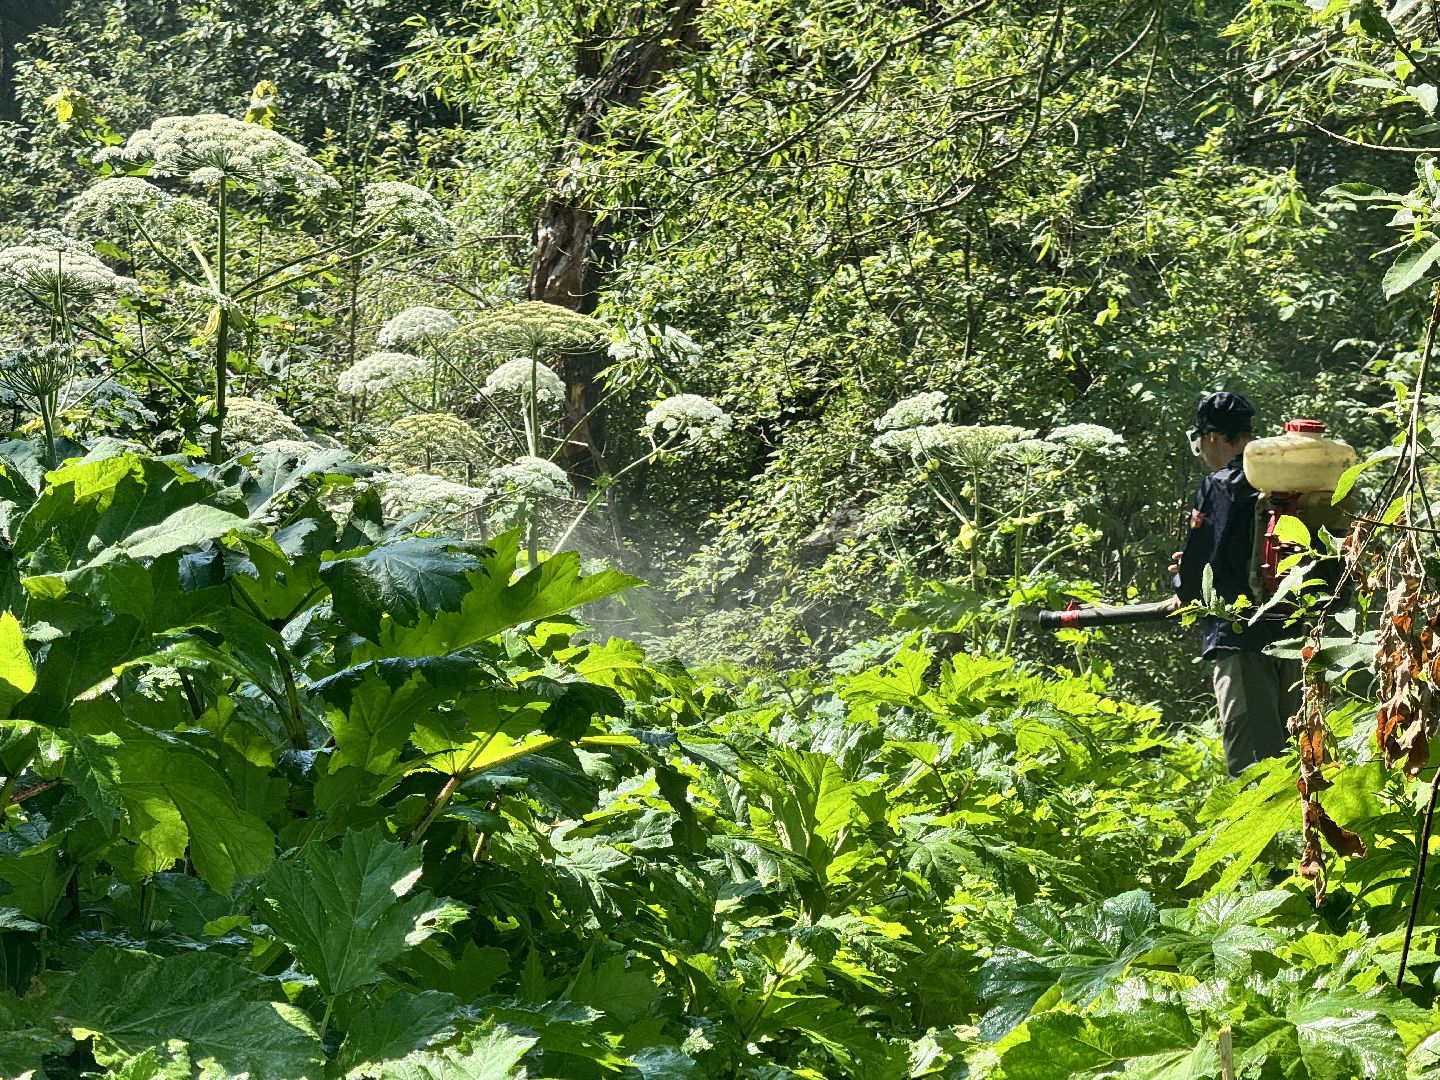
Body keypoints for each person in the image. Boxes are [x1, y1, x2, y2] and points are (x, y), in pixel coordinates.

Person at [1171, 391, 1301, 777]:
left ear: (1210, 437)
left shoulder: (1221, 484)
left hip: (1241, 639)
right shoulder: (1284, 481)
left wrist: (1182, 586)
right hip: (1296, 636)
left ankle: (1264, 821)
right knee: (1298, 757)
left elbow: (1200, 565)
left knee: (1253, 768)